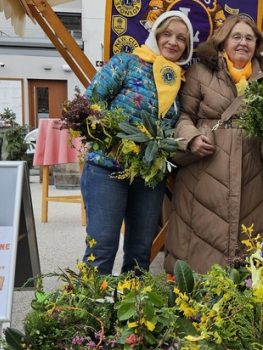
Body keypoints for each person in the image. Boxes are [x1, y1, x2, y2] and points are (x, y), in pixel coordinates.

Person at [165, 15, 263, 273]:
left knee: (246, 242)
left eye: (249, 38)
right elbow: (183, 116)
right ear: (223, 41)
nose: (243, 43)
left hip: (249, 174)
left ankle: (239, 294)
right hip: (204, 169)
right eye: (236, 36)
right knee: (199, 238)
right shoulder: (200, 71)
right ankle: (195, 294)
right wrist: (192, 139)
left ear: (257, 45)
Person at [81, 11, 193, 275]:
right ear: (155, 35)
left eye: (181, 38)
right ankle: (90, 300)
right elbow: (90, 103)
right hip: (107, 169)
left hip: (148, 175)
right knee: (102, 247)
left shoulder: (180, 81)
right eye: (167, 34)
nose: (173, 42)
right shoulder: (126, 63)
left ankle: (132, 300)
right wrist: (113, 142)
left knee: (140, 252)